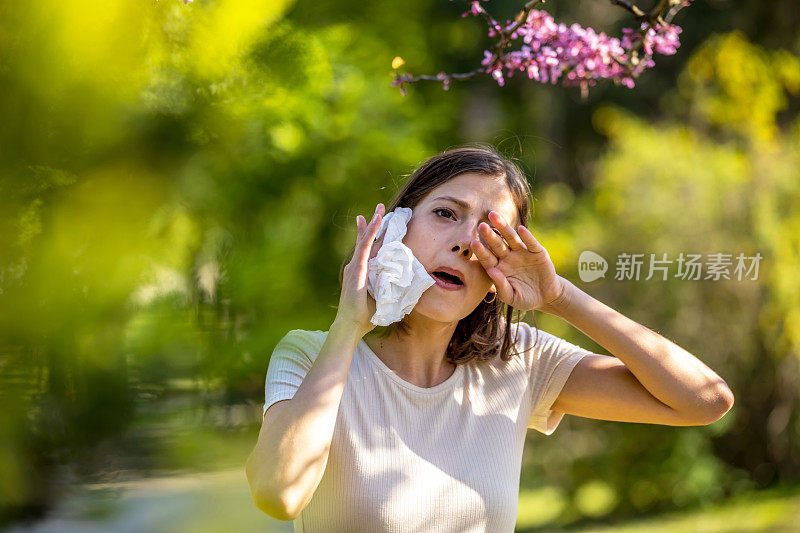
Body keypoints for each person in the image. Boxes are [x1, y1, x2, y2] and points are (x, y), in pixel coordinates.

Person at [245, 144, 734, 532]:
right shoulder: (312, 355)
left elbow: (705, 401)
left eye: (487, 232)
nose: (463, 242)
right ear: (395, 230)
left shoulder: (519, 359)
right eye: (445, 214)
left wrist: (558, 296)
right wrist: (349, 325)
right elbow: (279, 493)